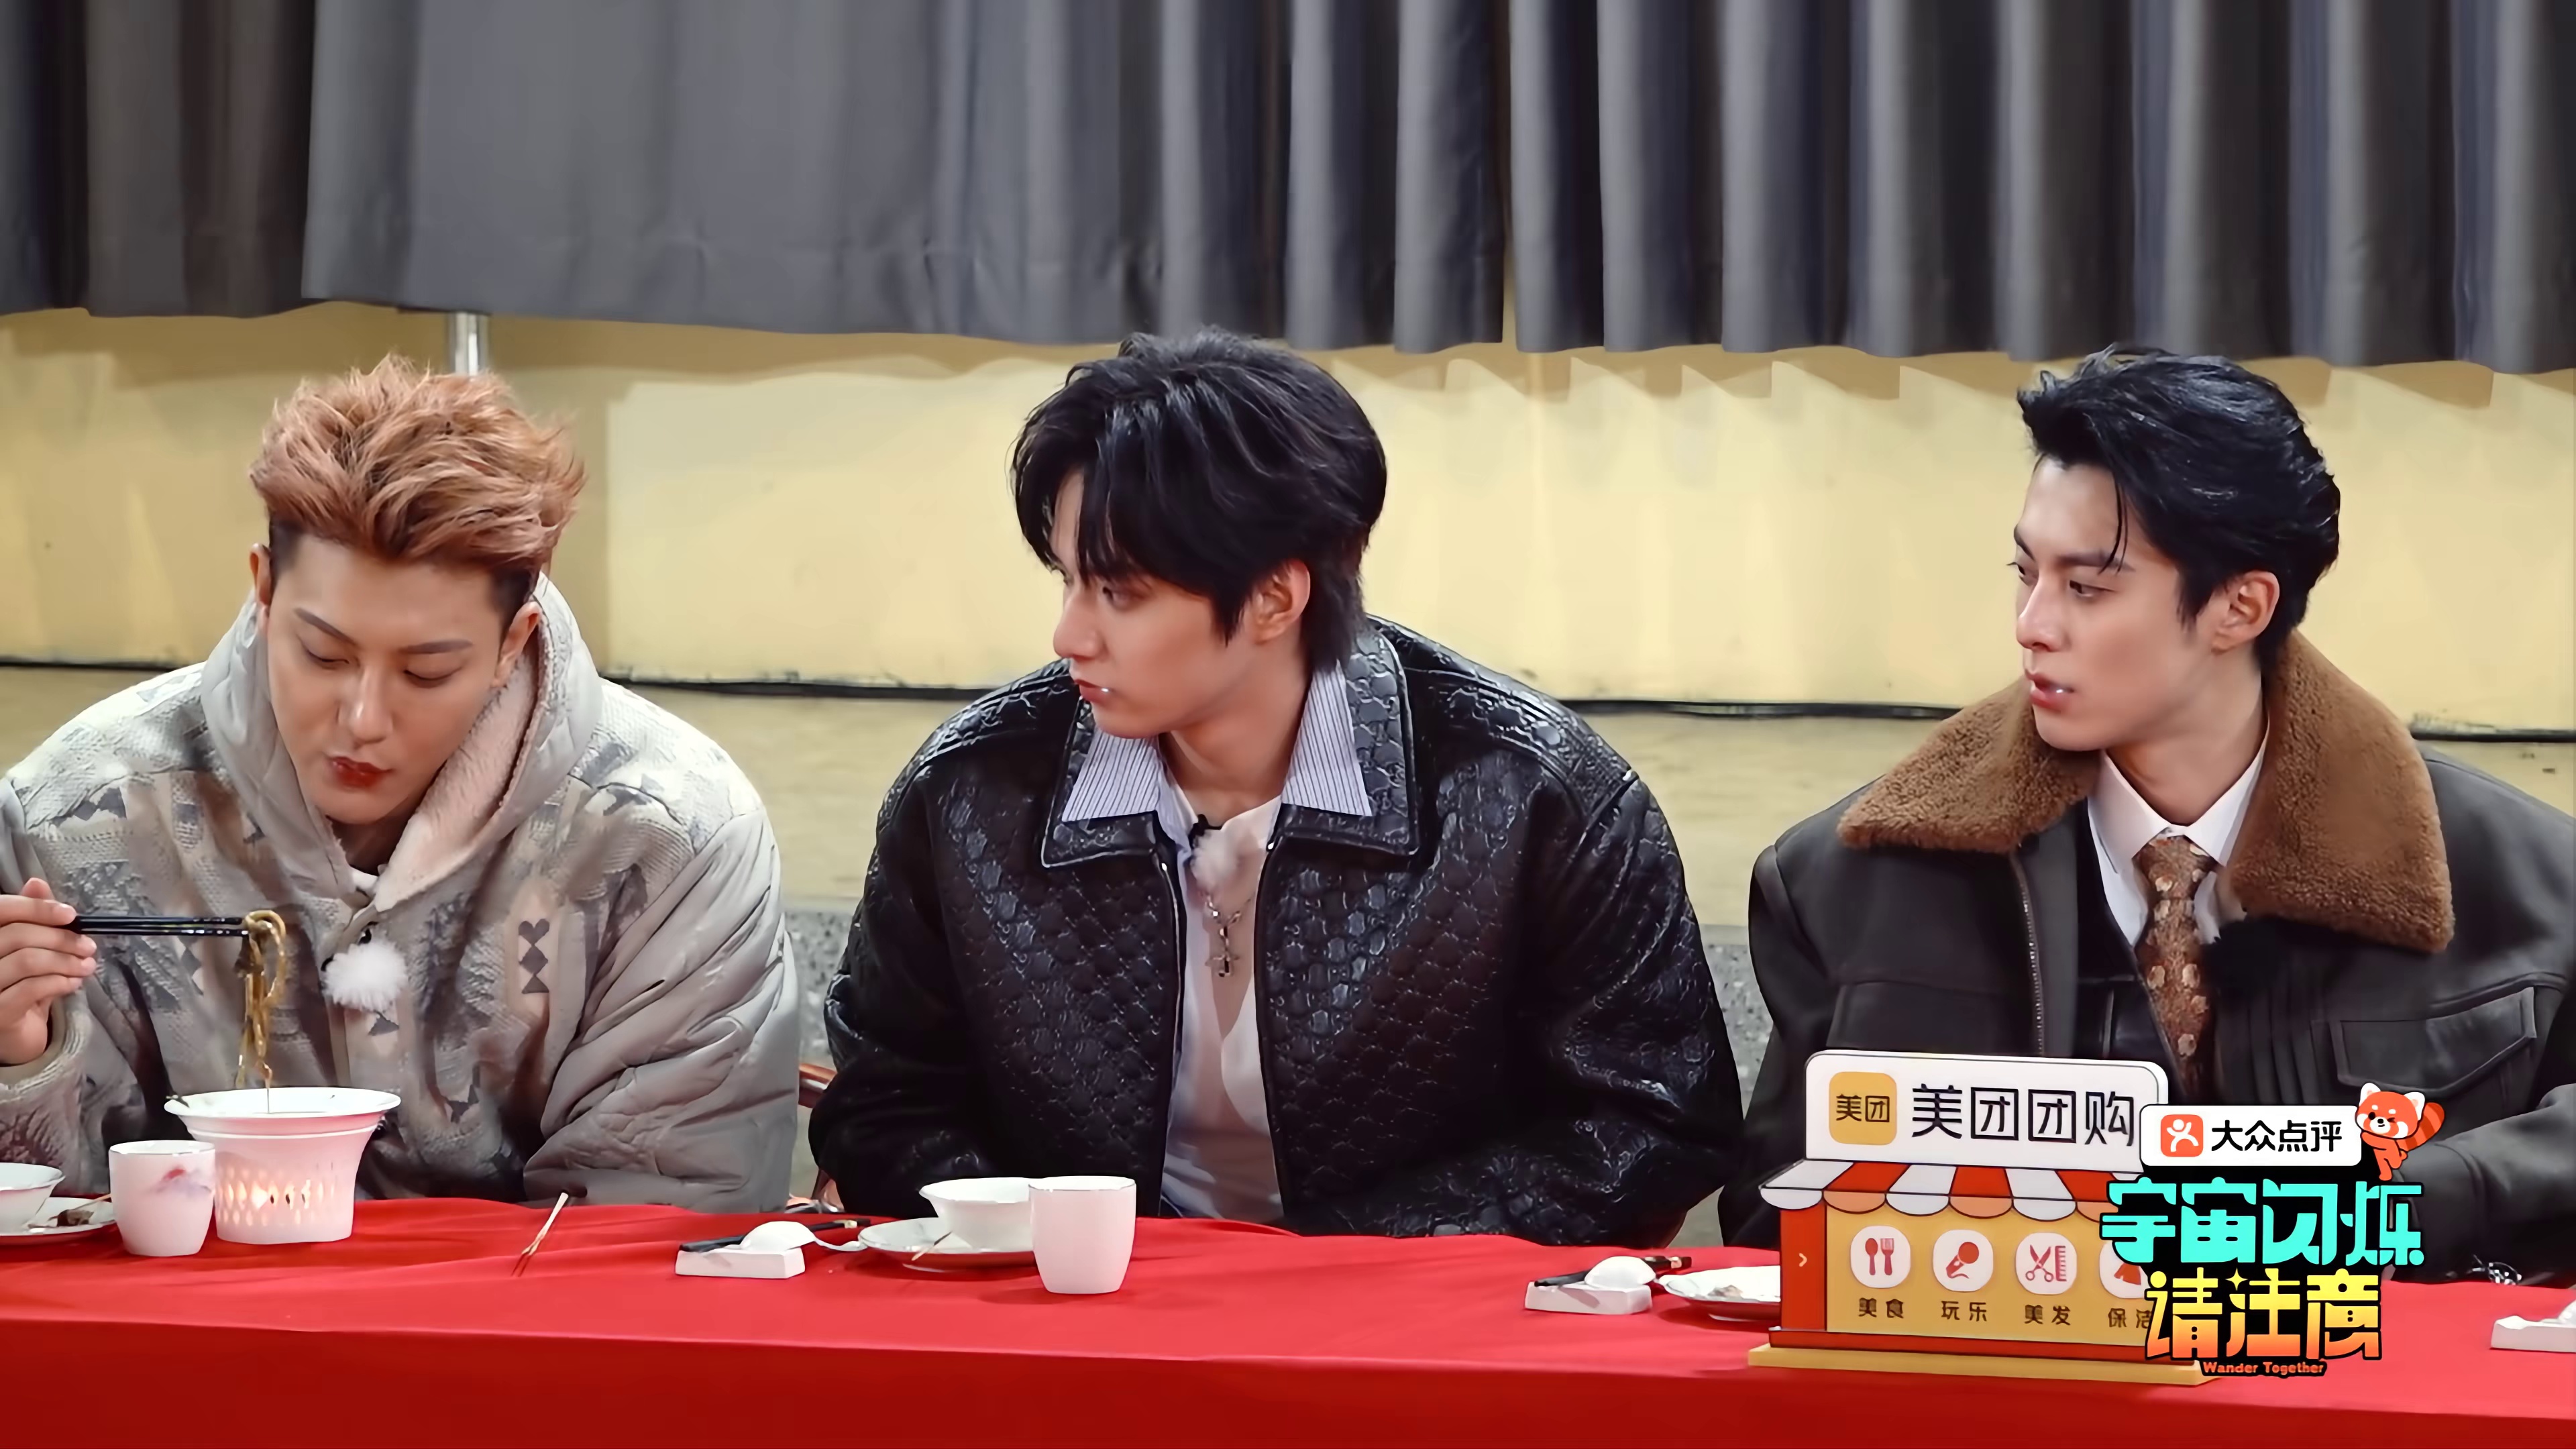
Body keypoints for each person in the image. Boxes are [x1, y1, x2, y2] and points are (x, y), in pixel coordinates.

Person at [811, 329, 1740, 1245]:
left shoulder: (1532, 794)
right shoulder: (968, 792)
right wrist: (1071, 1247)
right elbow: (887, 1104)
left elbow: (1649, 1129)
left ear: (1274, 598)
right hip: (1075, 1299)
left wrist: (1312, 1266)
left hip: (1397, 1310)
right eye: (1067, 581)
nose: (1069, 637)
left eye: (1119, 593)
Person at [1720, 348, 2575, 1283]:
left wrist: (2407, 1199)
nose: (2033, 624)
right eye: (2025, 572)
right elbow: (1772, 1231)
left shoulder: (2526, 880)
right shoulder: (1850, 882)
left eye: (2087, 587)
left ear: (2240, 607)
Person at [0, 358, 796, 1209]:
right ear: (264, 590)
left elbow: (662, 1216)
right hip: (189, 1295)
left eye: (426, 672)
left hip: (535, 1297)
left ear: (513, 641)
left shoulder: (673, 838)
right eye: (322, 654)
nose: (362, 720)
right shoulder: (76, 815)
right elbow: (53, 1227)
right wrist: (18, 1063)